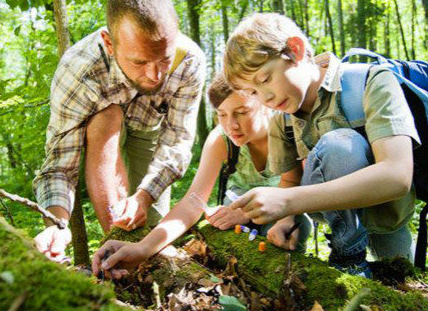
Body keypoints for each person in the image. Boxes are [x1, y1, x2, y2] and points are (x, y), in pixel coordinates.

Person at [223, 13, 420, 277]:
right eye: (254, 93)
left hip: (387, 216)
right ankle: (348, 259)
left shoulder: (370, 82)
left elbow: (397, 176)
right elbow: (290, 182)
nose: (266, 98)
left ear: (295, 50)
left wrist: (288, 202)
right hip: (338, 224)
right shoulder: (282, 119)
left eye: (265, 79)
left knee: (406, 281)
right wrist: (286, 219)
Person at [32, 0, 206, 262]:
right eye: (139, 62)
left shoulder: (190, 62)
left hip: (150, 131)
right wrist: (58, 224)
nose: (155, 75)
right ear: (109, 43)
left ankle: (149, 269)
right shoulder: (79, 71)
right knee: (106, 116)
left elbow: (177, 141)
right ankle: (115, 247)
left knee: (151, 226)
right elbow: (60, 165)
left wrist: (144, 196)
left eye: (164, 58)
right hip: (101, 135)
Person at [92, 73, 311, 279]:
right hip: (236, 208)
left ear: (264, 104)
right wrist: (143, 248)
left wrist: (248, 214)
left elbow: (296, 185)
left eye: (242, 112)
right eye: (222, 114)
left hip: (286, 207)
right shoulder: (221, 139)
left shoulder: (287, 129)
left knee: (293, 228)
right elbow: (192, 203)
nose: (231, 125)